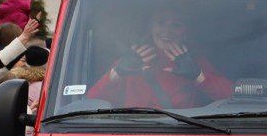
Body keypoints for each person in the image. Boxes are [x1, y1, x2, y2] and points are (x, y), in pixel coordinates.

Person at [89, 9, 232, 109]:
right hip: (134, 132)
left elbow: (231, 98)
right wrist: (116, 73)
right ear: (151, 28)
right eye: (160, 23)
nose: (167, 31)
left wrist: (199, 76)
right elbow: (92, 102)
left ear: (185, 33)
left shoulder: (194, 62)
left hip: (181, 132)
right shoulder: (134, 59)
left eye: (176, 25)